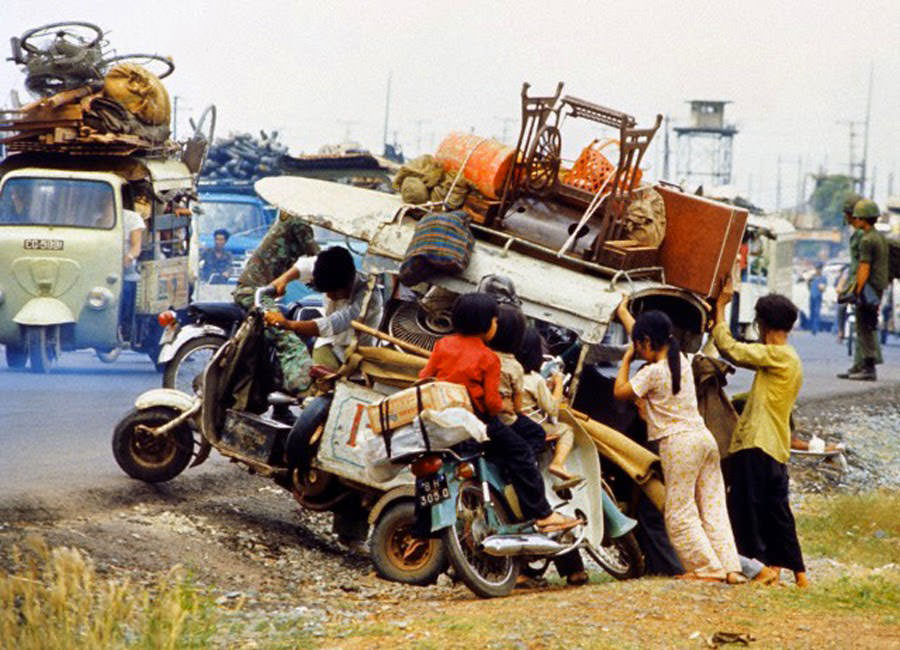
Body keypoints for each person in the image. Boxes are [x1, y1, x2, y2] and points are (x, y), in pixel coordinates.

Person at [418, 293, 580, 534]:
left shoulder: (443, 345)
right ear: (485, 325)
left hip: (442, 417)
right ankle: (542, 514)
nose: (496, 324)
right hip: (479, 421)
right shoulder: (488, 358)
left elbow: (424, 378)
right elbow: (492, 404)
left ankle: (421, 527)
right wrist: (500, 406)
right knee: (522, 450)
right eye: (494, 320)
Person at [613, 301, 742, 583]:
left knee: (679, 512)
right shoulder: (679, 358)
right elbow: (645, 332)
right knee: (712, 505)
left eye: (638, 346)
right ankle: (730, 567)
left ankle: (708, 569)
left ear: (646, 342)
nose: (638, 353)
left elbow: (620, 391)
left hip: (680, 444)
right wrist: (624, 312)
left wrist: (625, 361)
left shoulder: (653, 372)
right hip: (704, 438)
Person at [712, 280, 808, 587]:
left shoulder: (776, 355)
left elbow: (732, 350)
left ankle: (756, 570)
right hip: (776, 448)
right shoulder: (790, 359)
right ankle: (799, 575)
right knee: (778, 513)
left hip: (756, 445)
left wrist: (720, 308)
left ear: (762, 324)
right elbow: (764, 397)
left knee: (746, 511)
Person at [233, 214, 319, 395]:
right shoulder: (299, 223)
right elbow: (320, 259)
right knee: (288, 342)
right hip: (255, 293)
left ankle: (282, 405)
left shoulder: (286, 222)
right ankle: (306, 392)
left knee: (282, 334)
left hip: (256, 291)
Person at [263, 246, 383, 371]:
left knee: (328, 385)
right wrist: (283, 280)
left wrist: (288, 324)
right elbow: (305, 265)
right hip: (329, 344)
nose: (329, 296)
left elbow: (335, 323)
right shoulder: (329, 267)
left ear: (348, 283)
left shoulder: (368, 298)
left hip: (358, 355)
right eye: (326, 292)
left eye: (334, 292)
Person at [515, 327, 583, 488]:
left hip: (509, 423)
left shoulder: (508, 372)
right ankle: (557, 463)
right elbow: (552, 407)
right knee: (566, 430)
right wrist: (558, 383)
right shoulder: (535, 380)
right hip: (532, 427)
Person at [838, 199, 889, 381]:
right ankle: (863, 366)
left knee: (864, 327)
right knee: (868, 325)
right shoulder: (879, 237)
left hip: (868, 288)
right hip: (877, 287)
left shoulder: (867, 239)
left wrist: (856, 291)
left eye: (858, 217)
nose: (855, 220)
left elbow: (864, 267)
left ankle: (868, 368)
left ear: (863, 219)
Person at [119, 196, 146, 341]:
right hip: (103, 264)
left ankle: (125, 329)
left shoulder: (132, 218)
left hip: (125, 268)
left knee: (126, 293)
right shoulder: (97, 214)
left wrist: (128, 258)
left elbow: (136, 247)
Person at [807, 262, 827, 335]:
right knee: (811, 312)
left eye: (819, 269)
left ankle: (815, 328)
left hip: (818, 297)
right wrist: (808, 282)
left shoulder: (823, 278)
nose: (817, 270)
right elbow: (809, 286)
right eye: (816, 268)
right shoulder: (813, 277)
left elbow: (823, 289)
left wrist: (821, 287)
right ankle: (811, 327)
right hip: (812, 296)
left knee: (816, 312)